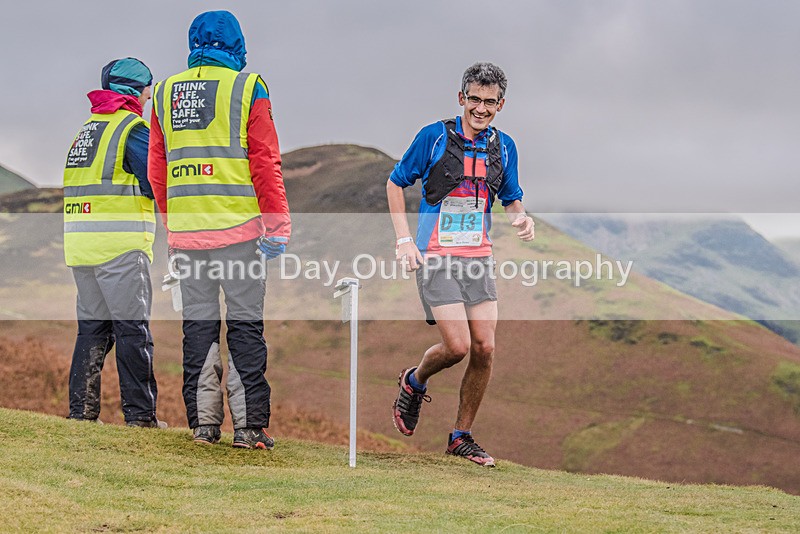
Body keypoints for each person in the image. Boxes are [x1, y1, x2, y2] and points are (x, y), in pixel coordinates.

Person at [148, 10, 291, 449]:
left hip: (188, 237)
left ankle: (203, 427)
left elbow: (158, 170)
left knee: (198, 328)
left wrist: (174, 226)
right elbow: (264, 161)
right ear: (238, 44)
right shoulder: (249, 87)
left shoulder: (163, 92)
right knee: (245, 328)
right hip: (241, 234)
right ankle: (248, 430)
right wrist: (278, 223)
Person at [387, 62, 535, 466]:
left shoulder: (504, 146)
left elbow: (511, 195)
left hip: (478, 258)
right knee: (457, 346)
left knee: (485, 348)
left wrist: (520, 215)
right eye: (475, 99)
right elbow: (396, 182)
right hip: (435, 256)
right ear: (461, 98)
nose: (481, 108)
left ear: (500, 104)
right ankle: (414, 381)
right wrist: (404, 241)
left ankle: (461, 437)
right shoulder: (433, 137)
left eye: (490, 101)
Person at [64, 57, 165, 428]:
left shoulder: (87, 130)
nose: (150, 96)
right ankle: (141, 418)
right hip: (119, 246)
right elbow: (156, 180)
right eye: (148, 89)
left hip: (81, 248)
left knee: (91, 330)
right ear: (136, 90)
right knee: (132, 330)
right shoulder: (132, 129)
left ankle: (81, 414)